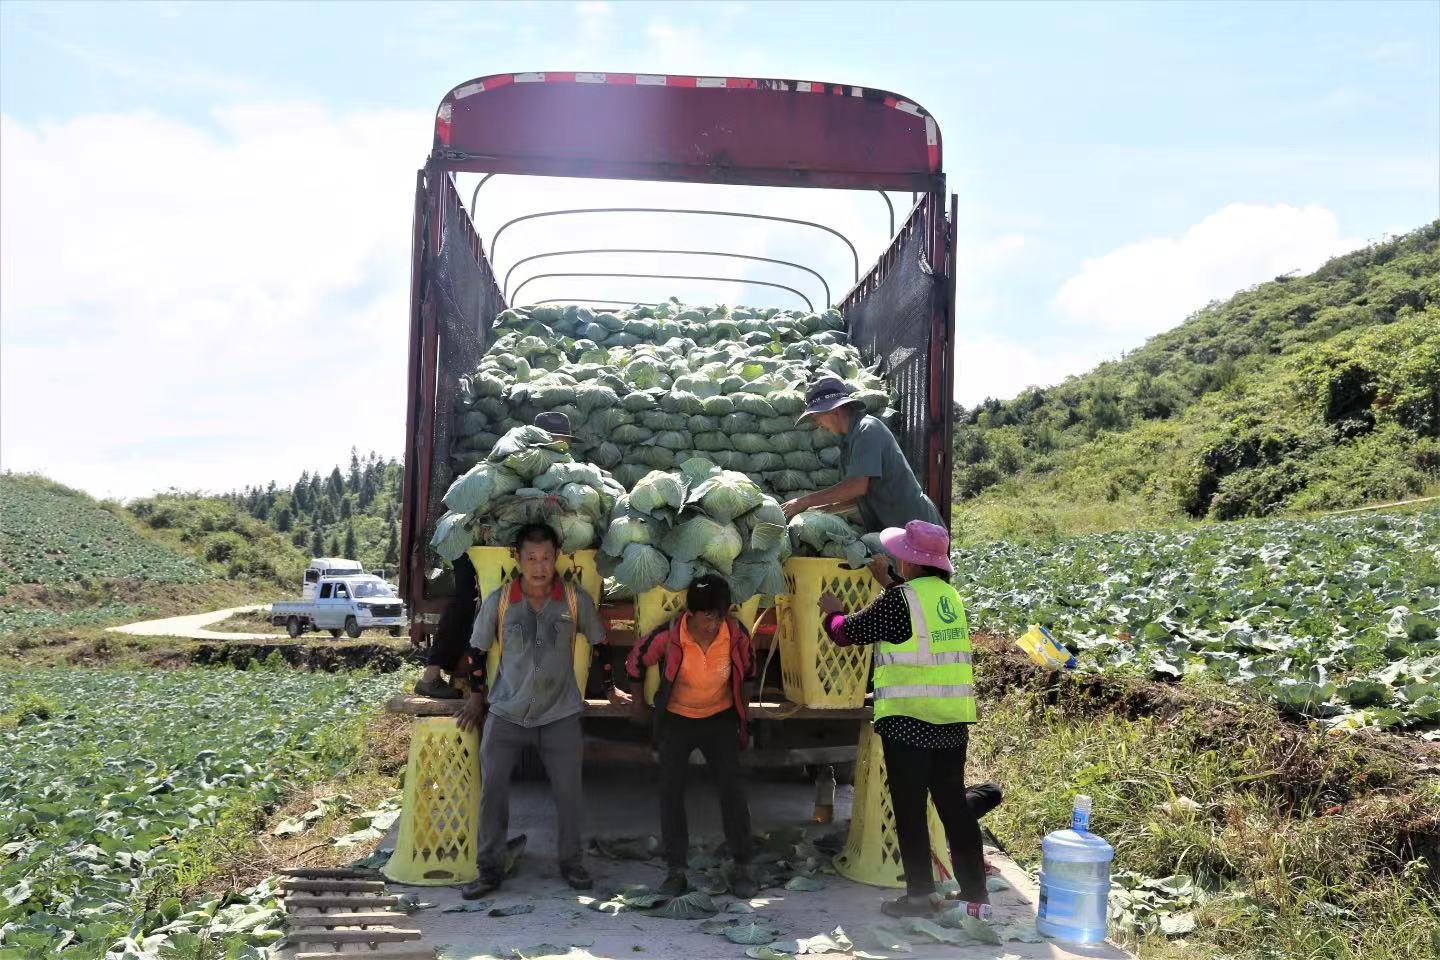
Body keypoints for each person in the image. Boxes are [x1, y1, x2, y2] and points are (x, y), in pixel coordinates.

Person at [819, 520, 985, 918]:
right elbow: (916, 621)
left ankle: (919, 898)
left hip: (909, 721)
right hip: (951, 720)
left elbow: (847, 634)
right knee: (953, 808)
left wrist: (833, 613)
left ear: (909, 560)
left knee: (909, 810)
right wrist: (890, 582)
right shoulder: (949, 597)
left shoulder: (900, 601)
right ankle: (975, 895)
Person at [456, 521, 608, 897]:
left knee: (569, 793)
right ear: (517, 559)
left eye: (546, 558)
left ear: (556, 558)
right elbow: (476, 653)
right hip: (506, 713)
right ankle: (489, 871)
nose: (539, 566)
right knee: (492, 791)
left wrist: (612, 688)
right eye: (531, 558)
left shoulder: (575, 600)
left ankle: (572, 864)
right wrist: (477, 697)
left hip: (560, 714)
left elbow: (601, 643)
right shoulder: (501, 600)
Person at [414, 411, 580, 700]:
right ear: (544, 440)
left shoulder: (536, 461)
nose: (563, 447)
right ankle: (433, 674)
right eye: (559, 441)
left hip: (478, 533)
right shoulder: (522, 458)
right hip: (469, 535)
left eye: (564, 442)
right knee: (469, 599)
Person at [621, 575, 758, 899]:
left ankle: (742, 867)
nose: (713, 623)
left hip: (719, 718)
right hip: (677, 720)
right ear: (691, 613)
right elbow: (636, 662)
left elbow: (749, 672)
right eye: (707, 615)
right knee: (671, 792)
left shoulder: (735, 634)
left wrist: (743, 710)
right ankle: (676, 870)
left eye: (719, 615)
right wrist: (638, 704)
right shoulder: (670, 635)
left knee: (733, 792)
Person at [780, 377, 943, 532]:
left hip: (919, 529)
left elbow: (856, 486)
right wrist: (821, 510)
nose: (818, 424)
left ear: (835, 410)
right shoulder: (849, 439)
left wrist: (804, 501)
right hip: (900, 531)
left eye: (817, 417)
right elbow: (863, 494)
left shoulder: (867, 430)